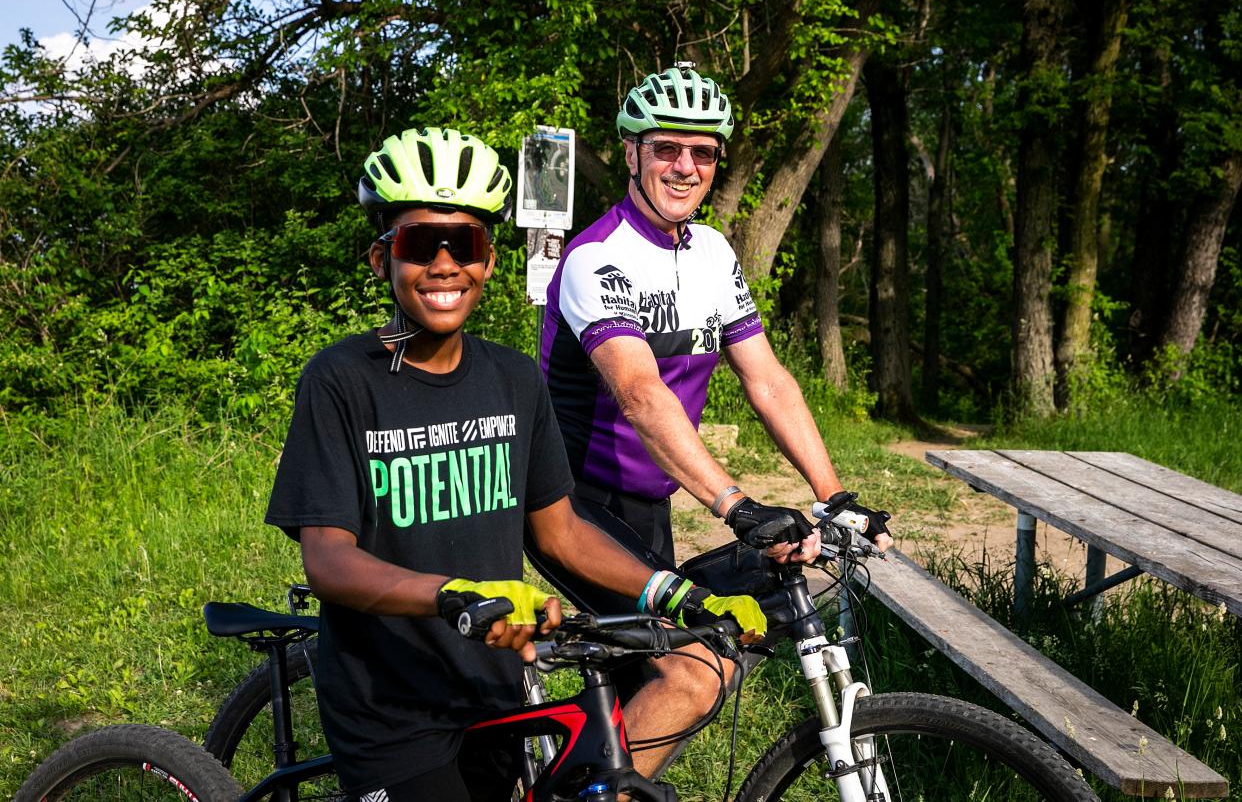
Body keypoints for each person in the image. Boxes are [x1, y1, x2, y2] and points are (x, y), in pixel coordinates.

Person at [264, 126, 766, 802]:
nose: (444, 264)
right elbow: (327, 560)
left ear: (490, 262)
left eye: (464, 244)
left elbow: (560, 533)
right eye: (419, 244)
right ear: (381, 259)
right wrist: (454, 595)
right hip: (390, 708)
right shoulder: (342, 380)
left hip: (496, 688)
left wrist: (672, 592)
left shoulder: (513, 379)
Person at [531, 64, 894, 776]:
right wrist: (736, 505)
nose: (685, 166)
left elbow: (767, 380)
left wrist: (832, 493)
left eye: (703, 152)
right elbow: (640, 395)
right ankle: (577, 791)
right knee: (696, 672)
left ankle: (593, 780)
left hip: (647, 505)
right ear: (632, 152)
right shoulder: (595, 258)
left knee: (681, 671)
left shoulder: (713, 253)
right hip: (569, 502)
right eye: (667, 147)